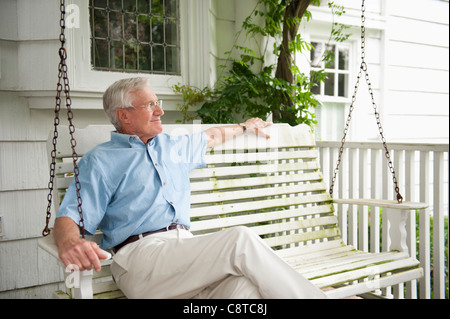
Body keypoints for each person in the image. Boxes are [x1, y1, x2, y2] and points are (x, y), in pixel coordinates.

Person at [54, 77, 328, 299]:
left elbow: (210, 136)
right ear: (124, 115)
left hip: (187, 258)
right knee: (239, 240)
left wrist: (244, 127)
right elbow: (70, 217)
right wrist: (69, 242)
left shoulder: (173, 147)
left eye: (157, 103)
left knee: (247, 290)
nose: (160, 110)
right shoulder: (100, 161)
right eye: (150, 105)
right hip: (143, 261)